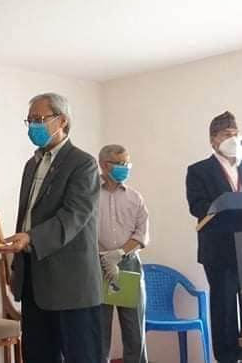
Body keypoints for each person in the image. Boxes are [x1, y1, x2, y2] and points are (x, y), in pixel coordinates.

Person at [0, 92, 103, 363]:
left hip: (71, 286)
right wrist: (17, 263)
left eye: (39, 119)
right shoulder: (31, 165)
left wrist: (30, 238)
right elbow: (27, 217)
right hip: (34, 281)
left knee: (82, 357)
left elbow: (73, 216)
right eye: (30, 120)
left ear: (62, 121)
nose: (33, 126)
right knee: (38, 355)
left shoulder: (83, 164)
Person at [186, 111, 242, 363]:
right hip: (218, 248)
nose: (233, 139)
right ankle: (227, 357)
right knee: (224, 306)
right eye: (227, 134)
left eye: (236, 134)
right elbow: (197, 206)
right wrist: (227, 204)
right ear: (213, 139)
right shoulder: (199, 170)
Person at [97, 144, 149, 363]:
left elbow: (142, 234)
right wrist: (104, 257)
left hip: (128, 263)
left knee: (134, 330)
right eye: (120, 163)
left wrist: (118, 253)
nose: (125, 168)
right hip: (97, 265)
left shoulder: (135, 197)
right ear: (105, 165)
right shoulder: (88, 194)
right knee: (99, 331)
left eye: (127, 163)